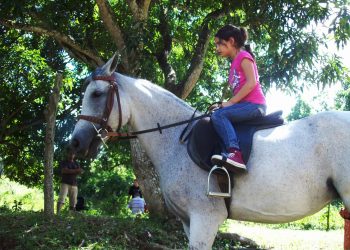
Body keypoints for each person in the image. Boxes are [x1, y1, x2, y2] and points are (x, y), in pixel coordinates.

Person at [210, 24, 266, 172]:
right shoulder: (234, 63)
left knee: (219, 116)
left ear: (231, 41)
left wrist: (231, 102)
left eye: (219, 44)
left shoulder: (243, 56)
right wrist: (224, 104)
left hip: (255, 105)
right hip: (246, 105)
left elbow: (251, 82)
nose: (217, 48)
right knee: (218, 113)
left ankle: (235, 153)